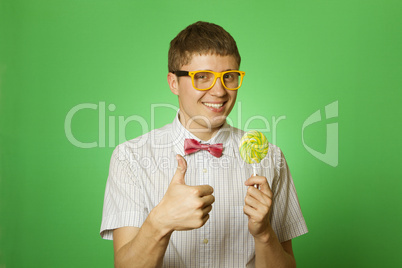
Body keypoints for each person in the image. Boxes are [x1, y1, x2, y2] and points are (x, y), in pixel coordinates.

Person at [100, 21, 308, 267]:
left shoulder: (270, 159)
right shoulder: (129, 158)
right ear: (173, 82)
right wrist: (160, 222)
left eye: (228, 77)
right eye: (202, 77)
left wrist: (264, 234)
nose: (219, 91)